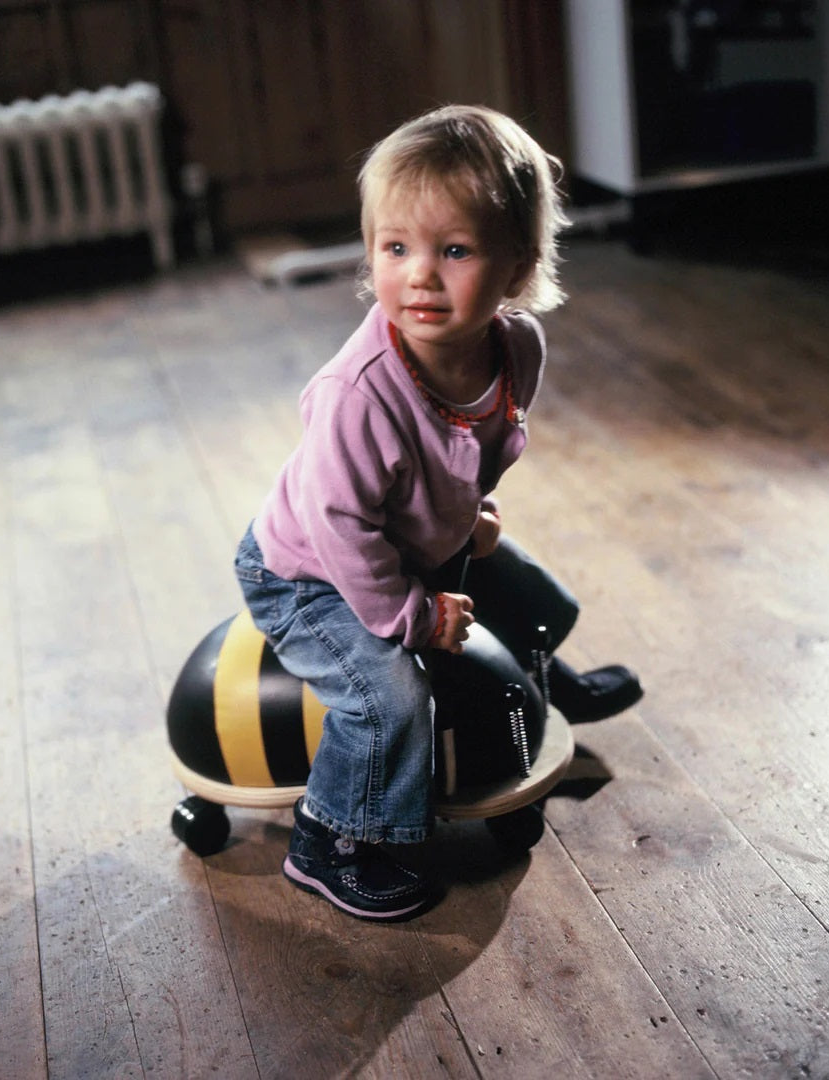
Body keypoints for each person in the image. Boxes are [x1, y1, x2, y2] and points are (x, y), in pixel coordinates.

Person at [233, 104, 641, 921]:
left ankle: (534, 670)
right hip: (314, 574)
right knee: (387, 696)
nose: (419, 274)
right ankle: (330, 838)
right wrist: (413, 621)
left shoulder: (514, 347)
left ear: (516, 268)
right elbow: (341, 529)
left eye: (453, 251)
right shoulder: (359, 396)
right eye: (396, 248)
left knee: (517, 574)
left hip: (412, 535)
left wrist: (476, 512)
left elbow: (478, 444)